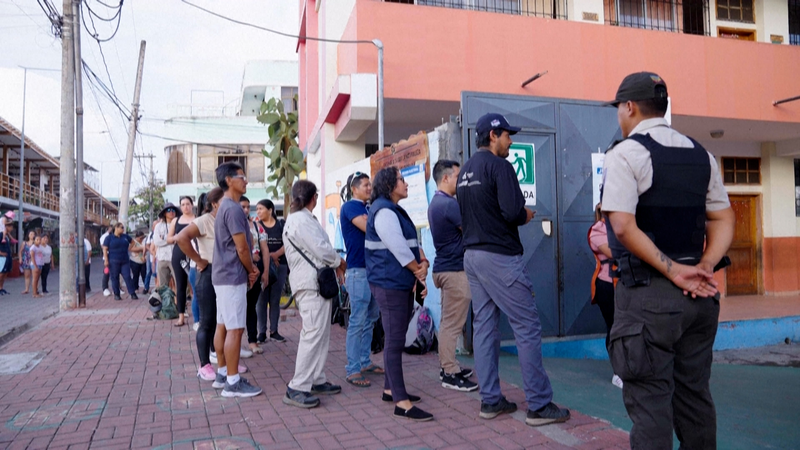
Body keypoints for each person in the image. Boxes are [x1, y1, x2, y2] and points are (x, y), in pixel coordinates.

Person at [601, 72, 734, 450]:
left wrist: (674, 271)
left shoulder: (625, 154)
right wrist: (705, 265)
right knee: (694, 397)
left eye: (618, 108)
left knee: (650, 405)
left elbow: (623, 226)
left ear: (629, 107)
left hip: (648, 299)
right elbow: (724, 218)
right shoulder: (701, 155)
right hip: (700, 298)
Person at [457, 113, 569, 426]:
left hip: (472, 256)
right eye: (508, 135)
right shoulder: (500, 167)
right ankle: (539, 405)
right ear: (493, 135)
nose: (510, 141)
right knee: (527, 325)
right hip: (499, 257)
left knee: (484, 326)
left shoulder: (465, 171)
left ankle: (491, 400)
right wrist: (526, 215)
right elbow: (511, 211)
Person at [366, 167, 433, 422]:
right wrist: (417, 270)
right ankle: (401, 403)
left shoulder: (394, 210)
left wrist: (422, 265)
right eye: (402, 180)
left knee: (397, 335)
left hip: (398, 282)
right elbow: (398, 247)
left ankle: (389, 389)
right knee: (394, 341)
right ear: (389, 185)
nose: (406, 184)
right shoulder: (384, 211)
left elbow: (411, 244)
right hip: (389, 283)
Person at [282, 180, 345, 408]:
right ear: (313, 198)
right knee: (313, 333)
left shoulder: (301, 218)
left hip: (314, 283)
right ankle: (297, 387)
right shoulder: (301, 219)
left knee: (320, 333)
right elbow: (322, 249)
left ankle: (316, 379)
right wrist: (340, 262)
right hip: (310, 284)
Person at [175, 188, 248, 383]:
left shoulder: (228, 218)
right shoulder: (204, 220)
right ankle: (204, 364)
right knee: (207, 321)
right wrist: (199, 260)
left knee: (223, 323)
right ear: (214, 204)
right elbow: (181, 238)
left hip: (227, 274)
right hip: (208, 273)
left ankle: (227, 364)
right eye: (224, 200)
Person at [212, 162, 262, 398]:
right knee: (235, 329)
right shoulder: (232, 209)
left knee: (223, 325)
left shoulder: (225, 206)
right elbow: (242, 248)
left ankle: (223, 374)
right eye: (242, 177)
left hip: (223, 276)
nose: (246, 181)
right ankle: (232, 382)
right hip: (232, 276)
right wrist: (252, 269)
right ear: (229, 180)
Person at [428, 160, 478, 392]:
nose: (461, 181)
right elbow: (471, 229)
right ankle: (450, 373)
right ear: (445, 178)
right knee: (451, 324)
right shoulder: (448, 204)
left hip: (444, 269)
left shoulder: (436, 203)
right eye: (458, 176)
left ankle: (447, 366)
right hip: (454, 271)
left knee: (448, 322)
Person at [340, 172, 383, 388]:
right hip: (358, 271)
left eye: (370, 185)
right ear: (354, 189)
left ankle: (365, 361)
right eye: (365, 185)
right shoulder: (350, 207)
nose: (369, 188)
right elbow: (372, 229)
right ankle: (353, 369)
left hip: (373, 271)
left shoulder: (368, 208)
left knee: (371, 318)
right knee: (357, 320)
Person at [588, 202, 622, 389]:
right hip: (606, 286)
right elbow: (615, 252)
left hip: (624, 285)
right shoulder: (597, 230)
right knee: (614, 327)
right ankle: (618, 372)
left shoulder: (622, 226)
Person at [254, 199, 288, 344]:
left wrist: (276, 254)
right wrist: (268, 257)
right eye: (257, 209)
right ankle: (261, 332)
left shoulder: (281, 224)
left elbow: (288, 242)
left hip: (280, 265)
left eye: (261, 209)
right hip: (262, 267)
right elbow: (256, 246)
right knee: (261, 300)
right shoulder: (256, 226)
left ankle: (274, 331)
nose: (258, 212)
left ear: (270, 210)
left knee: (275, 299)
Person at [167, 197, 196, 327]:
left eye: (188, 204)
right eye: (183, 204)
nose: (185, 207)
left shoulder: (197, 219)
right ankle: (181, 316)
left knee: (195, 285)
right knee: (180, 285)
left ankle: (198, 316)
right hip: (179, 254)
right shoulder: (176, 221)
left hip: (194, 254)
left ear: (192, 205)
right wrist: (178, 237)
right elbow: (168, 239)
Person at [240, 196, 262, 355]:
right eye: (243, 207)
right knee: (237, 309)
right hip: (238, 272)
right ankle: (234, 345)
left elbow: (264, 249)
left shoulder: (255, 226)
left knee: (251, 306)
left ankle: (252, 340)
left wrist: (265, 270)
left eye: (248, 207)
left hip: (255, 271)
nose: (246, 210)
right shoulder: (231, 225)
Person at [103, 223, 139, 301]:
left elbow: (133, 242)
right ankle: (117, 294)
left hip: (125, 260)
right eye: (121, 227)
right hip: (113, 261)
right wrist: (106, 260)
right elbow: (105, 249)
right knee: (114, 277)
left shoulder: (125, 237)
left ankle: (132, 293)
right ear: (116, 228)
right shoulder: (109, 238)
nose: (123, 229)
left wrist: (129, 248)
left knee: (127, 276)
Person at [153, 204, 179, 292]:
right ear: (164, 213)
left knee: (179, 284)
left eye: (173, 210)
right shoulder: (159, 226)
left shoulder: (178, 225)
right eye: (168, 210)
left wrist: (164, 238)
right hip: (162, 258)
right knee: (163, 286)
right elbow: (157, 241)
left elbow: (180, 240)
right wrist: (172, 239)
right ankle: (165, 301)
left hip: (175, 258)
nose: (171, 212)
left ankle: (179, 301)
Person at [19, 230, 35, 295]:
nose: (32, 235)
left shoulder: (35, 243)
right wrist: (20, 258)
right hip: (26, 261)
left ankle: (35, 288)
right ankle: (27, 289)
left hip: (33, 261)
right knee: (27, 275)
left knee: (34, 275)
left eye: (33, 234)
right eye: (31, 234)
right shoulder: (24, 243)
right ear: (28, 235)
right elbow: (20, 251)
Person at [0, 220, 13, 295]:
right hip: (2, 257)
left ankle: (1, 288)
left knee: (5, 273)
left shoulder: (7, 236)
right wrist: (1, 253)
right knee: (1, 273)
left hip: (8, 256)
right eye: (10, 227)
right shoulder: (1, 235)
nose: (11, 228)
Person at [99, 225, 113, 296]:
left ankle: (116, 288)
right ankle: (105, 288)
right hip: (107, 257)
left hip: (114, 257)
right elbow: (103, 247)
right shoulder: (104, 236)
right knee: (106, 273)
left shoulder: (114, 236)